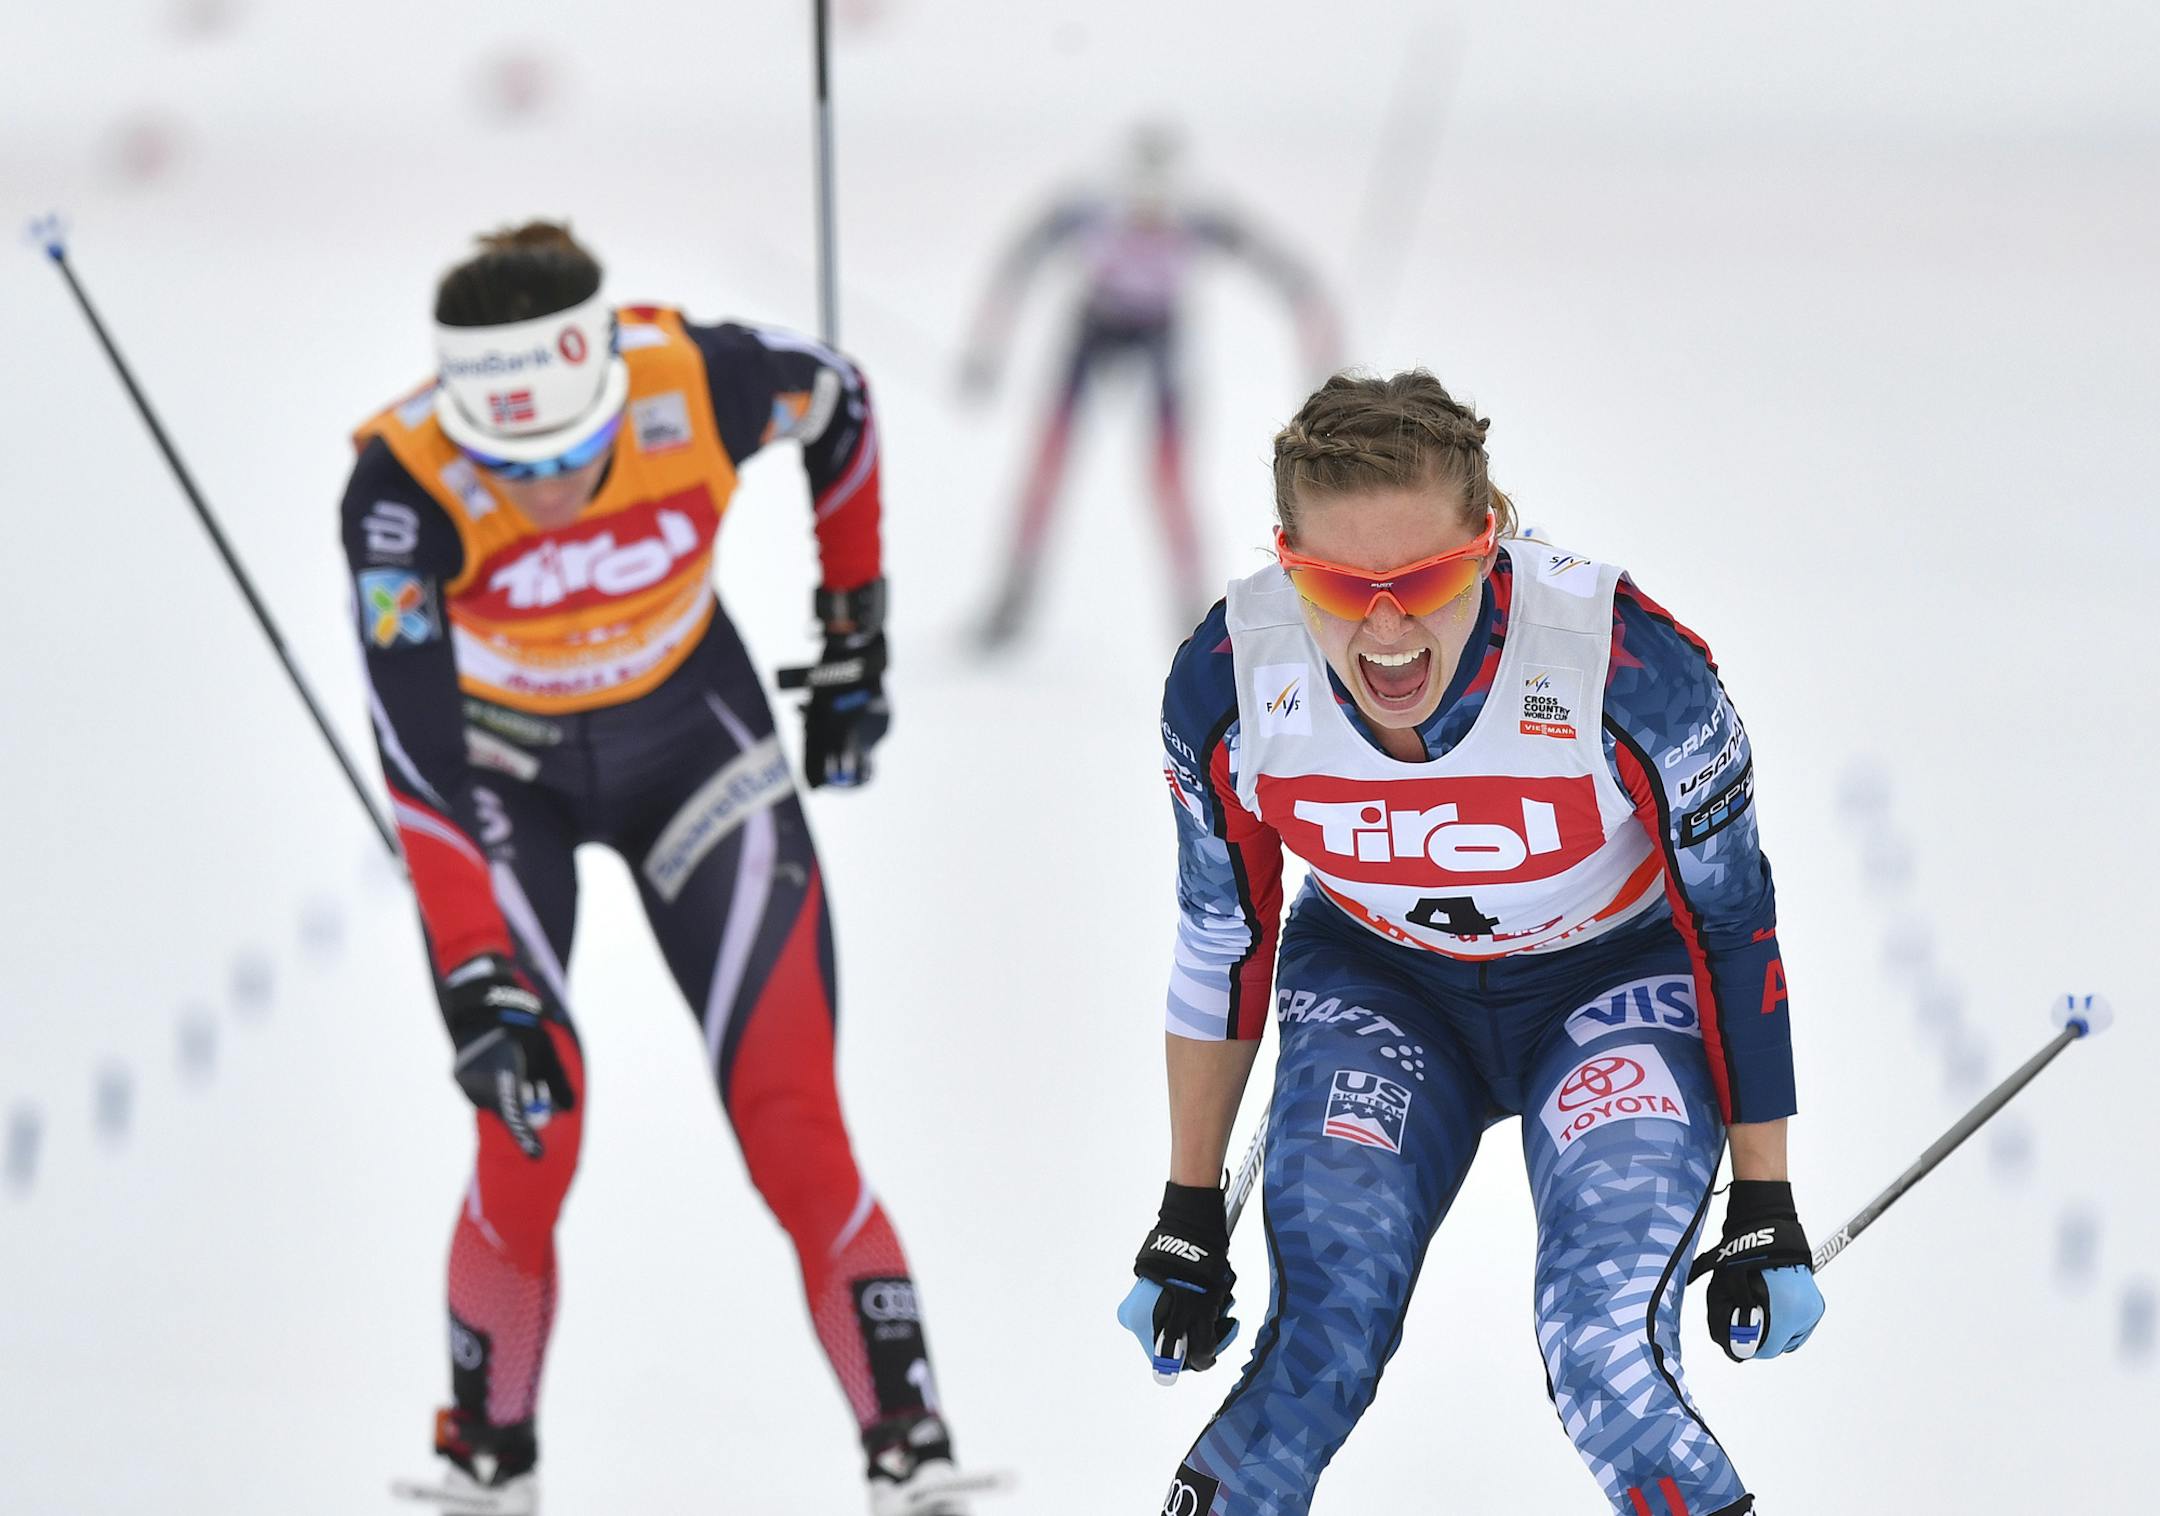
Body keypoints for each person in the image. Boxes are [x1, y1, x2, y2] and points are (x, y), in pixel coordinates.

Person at [341, 222, 971, 1514]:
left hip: (698, 755)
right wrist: (474, 974)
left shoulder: (698, 378)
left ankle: (912, 1454)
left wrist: (856, 626)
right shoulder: (400, 485)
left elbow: (841, 398)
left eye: (576, 453)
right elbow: (417, 757)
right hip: (500, 777)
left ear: (610, 390)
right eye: (514, 468)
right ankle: (486, 1460)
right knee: (529, 1132)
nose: (554, 490)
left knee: (797, 1127)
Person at [1121, 371, 1824, 1514]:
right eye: (1339, 588)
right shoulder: (1229, 680)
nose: (1387, 628)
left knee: (1605, 1354)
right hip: (1383, 988)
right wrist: (1188, 1211)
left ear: (1489, 545)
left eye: (1430, 579)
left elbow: (1733, 926)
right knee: (1317, 1341)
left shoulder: (1627, 667)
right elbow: (1224, 933)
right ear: (1284, 560)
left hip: (1611, 984)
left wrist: (1767, 1200)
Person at [956, 123, 1339, 648]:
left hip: (1160, 339)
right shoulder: (1088, 209)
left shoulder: (1199, 217)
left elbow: (1295, 280)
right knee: (1047, 464)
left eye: (1158, 217)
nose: (1148, 223)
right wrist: (987, 352)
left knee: (1170, 479)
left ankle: (1194, 614)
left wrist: (1322, 358)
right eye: (1139, 214)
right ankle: (1012, 600)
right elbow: (1015, 264)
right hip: (1093, 331)